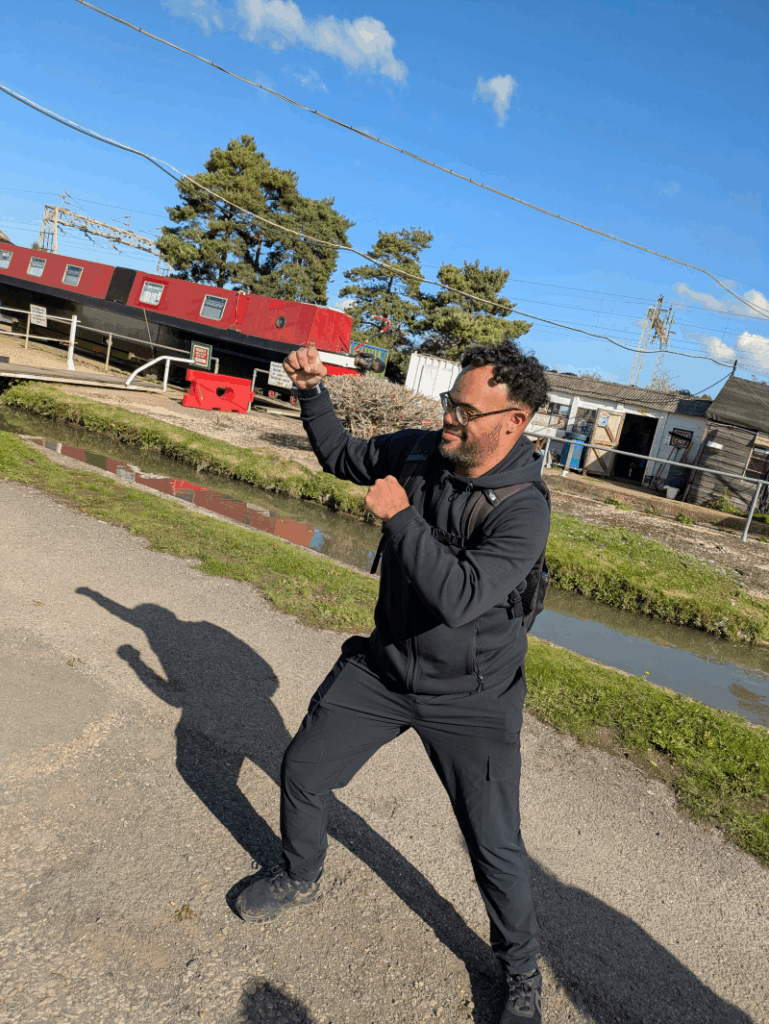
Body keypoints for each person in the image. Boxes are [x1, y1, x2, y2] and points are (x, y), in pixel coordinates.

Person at [236, 338, 551, 1024]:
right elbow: (344, 455)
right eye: (449, 403)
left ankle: (521, 973)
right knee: (303, 768)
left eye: (466, 411)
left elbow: (461, 597)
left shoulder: (522, 508)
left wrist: (400, 518)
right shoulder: (419, 451)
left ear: (514, 421)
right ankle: (299, 874)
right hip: (385, 669)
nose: (450, 419)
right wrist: (312, 393)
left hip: (473, 699)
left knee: (493, 845)